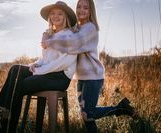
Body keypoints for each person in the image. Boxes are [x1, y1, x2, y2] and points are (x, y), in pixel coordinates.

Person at [41, 0, 136, 132]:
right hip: (81, 78)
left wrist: (49, 42)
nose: (81, 10)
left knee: (88, 114)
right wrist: (48, 33)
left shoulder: (91, 28)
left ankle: (121, 109)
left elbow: (73, 45)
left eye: (85, 8)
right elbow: (62, 33)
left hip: (93, 76)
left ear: (91, 11)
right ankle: (121, 108)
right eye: (79, 7)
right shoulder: (76, 28)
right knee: (85, 115)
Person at [0, 1, 77, 133]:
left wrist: (39, 71)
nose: (56, 16)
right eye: (53, 13)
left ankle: (7, 127)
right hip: (47, 73)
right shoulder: (51, 36)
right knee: (16, 69)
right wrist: (34, 65)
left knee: (19, 85)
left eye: (60, 13)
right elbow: (46, 59)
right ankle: (0, 108)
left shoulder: (70, 36)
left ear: (66, 17)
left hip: (59, 78)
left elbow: (62, 63)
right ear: (49, 17)